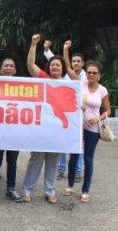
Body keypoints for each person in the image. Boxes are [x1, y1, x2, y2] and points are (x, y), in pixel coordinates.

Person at [21, 35, 77, 204]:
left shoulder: (70, 84)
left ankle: (50, 191)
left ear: (62, 69)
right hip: (41, 131)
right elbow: (31, 65)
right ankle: (26, 190)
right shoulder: (43, 78)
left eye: (57, 65)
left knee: (53, 162)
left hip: (59, 131)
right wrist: (33, 43)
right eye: (52, 64)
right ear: (49, 67)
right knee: (35, 160)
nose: (54, 67)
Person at [62, 60, 111, 203]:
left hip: (93, 129)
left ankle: (85, 190)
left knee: (88, 159)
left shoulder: (102, 90)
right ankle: (70, 185)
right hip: (78, 127)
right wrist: (66, 50)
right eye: (89, 72)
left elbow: (108, 110)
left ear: (99, 75)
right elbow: (68, 68)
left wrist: (98, 118)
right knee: (74, 156)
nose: (91, 74)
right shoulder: (80, 84)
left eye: (94, 73)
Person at [44, 40, 86, 181]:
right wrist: (64, 49)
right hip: (62, 113)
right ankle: (61, 169)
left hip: (76, 115)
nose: (75, 63)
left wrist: (65, 49)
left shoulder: (79, 78)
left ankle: (79, 171)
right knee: (62, 142)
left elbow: (65, 65)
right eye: (73, 61)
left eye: (78, 61)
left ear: (83, 63)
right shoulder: (65, 77)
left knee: (76, 143)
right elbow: (58, 62)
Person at [0, 58, 23, 205]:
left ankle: (10, 188)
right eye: (5, 65)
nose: (8, 68)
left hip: (14, 131)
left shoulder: (22, 86)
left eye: (11, 66)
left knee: (12, 161)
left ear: (14, 70)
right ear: (1, 69)